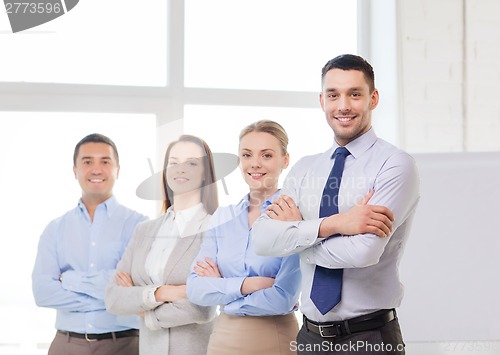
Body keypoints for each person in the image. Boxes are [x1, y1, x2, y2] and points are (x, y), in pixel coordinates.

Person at [252, 54, 420, 354]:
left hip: (369, 337)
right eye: (334, 95)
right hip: (308, 336)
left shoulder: (395, 165)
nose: (343, 106)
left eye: (354, 94)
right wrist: (337, 225)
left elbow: (362, 252)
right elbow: (262, 239)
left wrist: (296, 236)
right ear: (322, 101)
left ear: (373, 98)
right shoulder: (304, 169)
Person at [187, 120, 301, 355]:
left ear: (285, 160)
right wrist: (249, 284)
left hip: (275, 338)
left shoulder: (294, 216)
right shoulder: (223, 217)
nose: (255, 164)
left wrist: (223, 294)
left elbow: (283, 298)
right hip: (222, 339)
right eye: (247, 155)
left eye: (267, 155)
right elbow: (195, 289)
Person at [32, 133, 147, 355]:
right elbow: (42, 292)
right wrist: (113, 299)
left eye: (105, 161)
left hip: (124, 345)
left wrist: (71, 280)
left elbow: (138, 288)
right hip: (66, 345)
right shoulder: (55, 229)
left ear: (117, 170)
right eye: (87, 162)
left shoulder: (140, 226)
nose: (96, 169)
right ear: (75, 170)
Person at [105, 135, 219, 355]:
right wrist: (161, 293)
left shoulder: (214, 230)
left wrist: (141, 307)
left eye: (192, 163)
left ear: (206, 173)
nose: (180, 169)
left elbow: (202, 308)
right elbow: (113, 297)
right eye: (173, 163)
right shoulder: (144, 231)